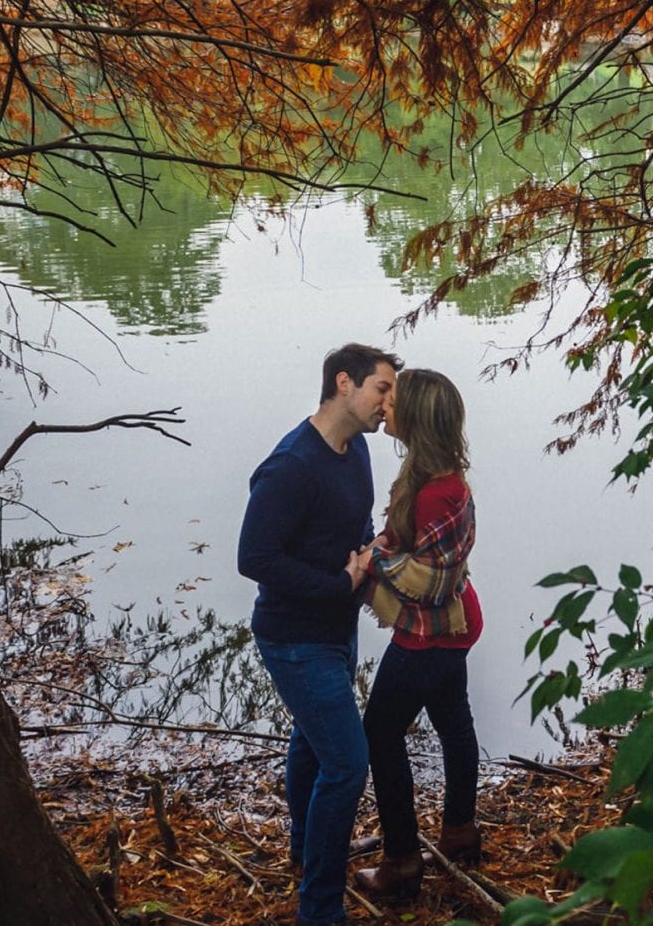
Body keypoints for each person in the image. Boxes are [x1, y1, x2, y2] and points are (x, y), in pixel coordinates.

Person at [237, 343, 401, 926]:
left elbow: (351, 523)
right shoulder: (291, 466)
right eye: (382, 389)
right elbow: (254, 558)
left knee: (312, 742)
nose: (390, 403)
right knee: (347, 763)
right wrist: (340, 580)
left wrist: (371, 552)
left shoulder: (355, 449)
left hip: (337, 627)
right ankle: (320, 909)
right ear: (344, 384)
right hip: (294, 638)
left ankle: (305, 852)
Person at [353, 368, 484, 901]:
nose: (384, 404)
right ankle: (459, 833)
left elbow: (431, 582)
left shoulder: (438, 492)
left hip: (433, 631)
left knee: (379, 732)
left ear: (418, 418)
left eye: (393, 399)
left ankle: (402, 860)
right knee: (454, 722)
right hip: (451, 627)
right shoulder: (428, 475)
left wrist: (373, 557)